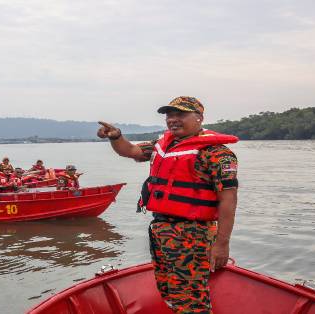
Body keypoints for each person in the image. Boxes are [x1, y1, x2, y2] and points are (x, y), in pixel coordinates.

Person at [97, 96, 238, 314]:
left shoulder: (216, 153)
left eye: (180, 114)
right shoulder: (163, 145)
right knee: (168, 291)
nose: (173, 120)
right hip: (161, 230)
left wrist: (222, 244)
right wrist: (116, 137)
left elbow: (228, 201)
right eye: (169, 115)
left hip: (193, 234)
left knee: (190, 299)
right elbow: (131, 151)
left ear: (199, 117)